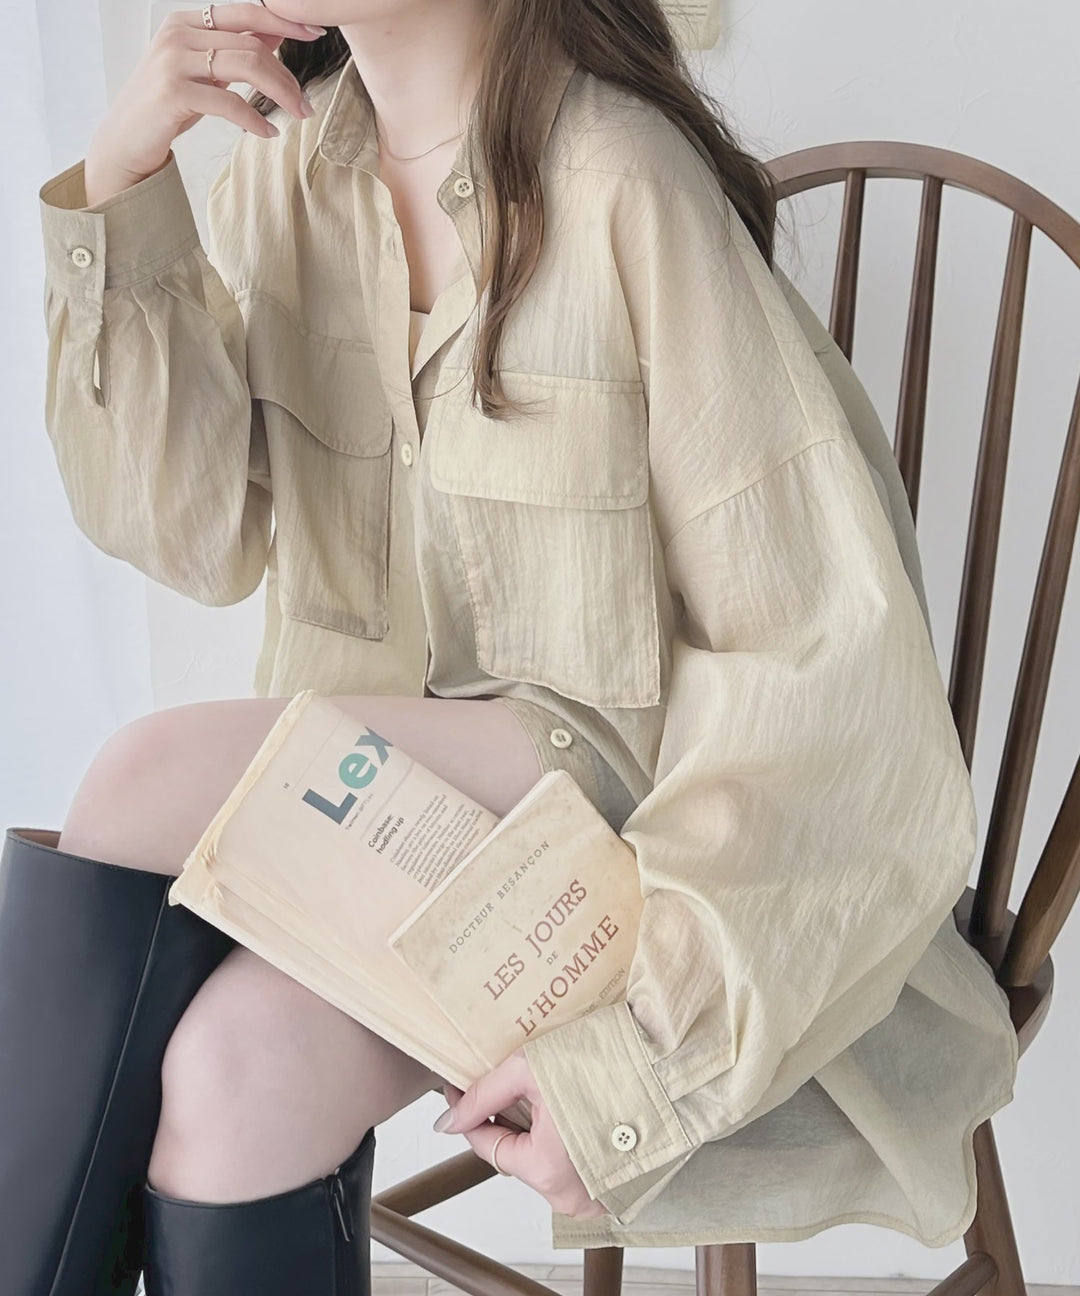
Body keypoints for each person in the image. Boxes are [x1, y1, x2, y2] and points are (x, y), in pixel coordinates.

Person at [6, 0, 1019, 1291]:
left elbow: (825, 676)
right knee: (234, 1073)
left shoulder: (621, 181)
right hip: (391, 857)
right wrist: (121, 179)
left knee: (137, 781)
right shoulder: (285, 178)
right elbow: (189, 533)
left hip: (639, 865)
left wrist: (643, 1061)